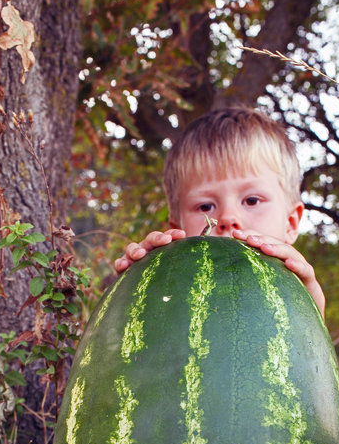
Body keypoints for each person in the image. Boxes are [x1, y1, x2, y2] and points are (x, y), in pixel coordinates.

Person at [114, 106, 325, 317]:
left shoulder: (290, 296)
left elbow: (309, 350)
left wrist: (309, 305)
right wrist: (136, 288)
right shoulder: (170, 296)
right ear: (177, 229)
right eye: (205, 207)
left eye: (251, 200)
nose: (226, 218)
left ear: (291, 223)